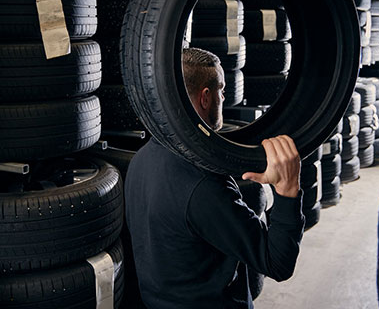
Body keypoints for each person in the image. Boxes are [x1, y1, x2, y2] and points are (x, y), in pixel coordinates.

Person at [125, 47, 305, 308]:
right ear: (205, 98)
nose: (225, 95)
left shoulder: (142, 158)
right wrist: (288, 190)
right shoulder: (203, 186)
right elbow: (277, 262)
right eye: (221, 89)